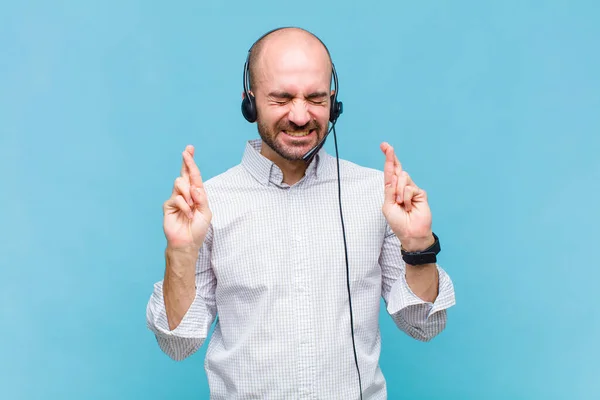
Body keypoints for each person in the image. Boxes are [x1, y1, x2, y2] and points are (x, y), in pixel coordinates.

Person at [146, 26, 456, 399]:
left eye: (315, 98)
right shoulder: (209, 204)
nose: (299, 115)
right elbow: (177, 344)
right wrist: (179, 251)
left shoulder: (378, 195)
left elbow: (424, 324)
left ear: (334, 102)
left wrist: (418, 243)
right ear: (250, 101)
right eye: (281, 98)